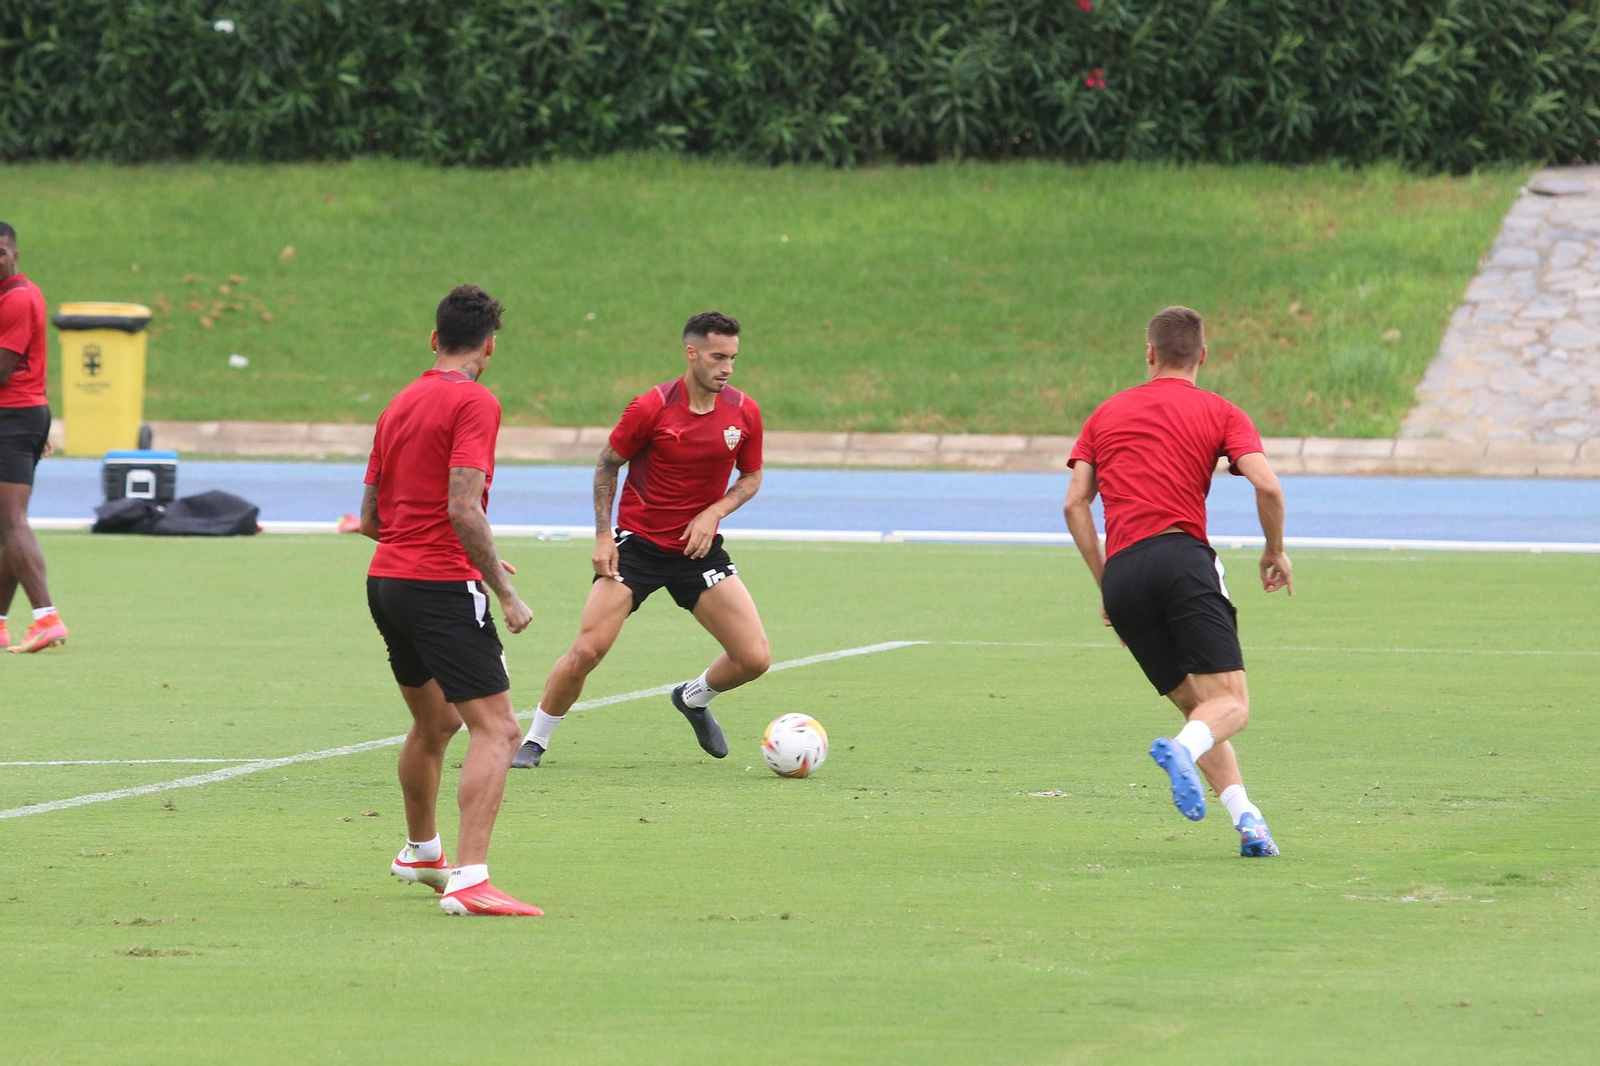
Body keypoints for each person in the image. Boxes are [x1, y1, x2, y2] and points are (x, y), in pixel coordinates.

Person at [1063, 306, 1292, 858]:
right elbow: (1268, 488)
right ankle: (1182, 753)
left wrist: (1105, 587)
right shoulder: (1220, 411)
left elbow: (1074, 505)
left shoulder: (1106, 413)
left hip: (1123, 575)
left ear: (1150, 354)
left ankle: (1249, 821)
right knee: (1232, 706)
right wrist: (1274, 549)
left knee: (1201, 711)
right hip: (1181, 558)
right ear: (1203, 356)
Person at [512, 310, 769, 769]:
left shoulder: (743, 411)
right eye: (717, 357)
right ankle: (535, 740)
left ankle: (692, 698)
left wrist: (714, 512)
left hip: (697, 551)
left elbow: (751, 477)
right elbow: (608, 463)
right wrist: (603, 535)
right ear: (691, 354)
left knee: (753, 658)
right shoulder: (651, 406)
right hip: (639, 547)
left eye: (732, 357)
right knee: (588, 649)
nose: (726, 367)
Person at [361, 284, 541, 916]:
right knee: (499, 729)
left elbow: (370, 518)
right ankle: (470, 879)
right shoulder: (475, 403)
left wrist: (467, 550)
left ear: (435, 339)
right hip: (440, 586)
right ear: (489, 345)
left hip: (386, 582)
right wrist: (504, 589)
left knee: (435, 723)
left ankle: (421, 851)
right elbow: (462, 505)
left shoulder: (399, 402)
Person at [0, 221, 67, 654]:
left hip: (12, 418)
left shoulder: (18, 299)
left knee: (12, 521)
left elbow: (2, 371)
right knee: (4, 527)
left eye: (0, 252)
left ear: (14, 256)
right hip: (21, 415)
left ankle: (46, 617)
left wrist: (30, 425)